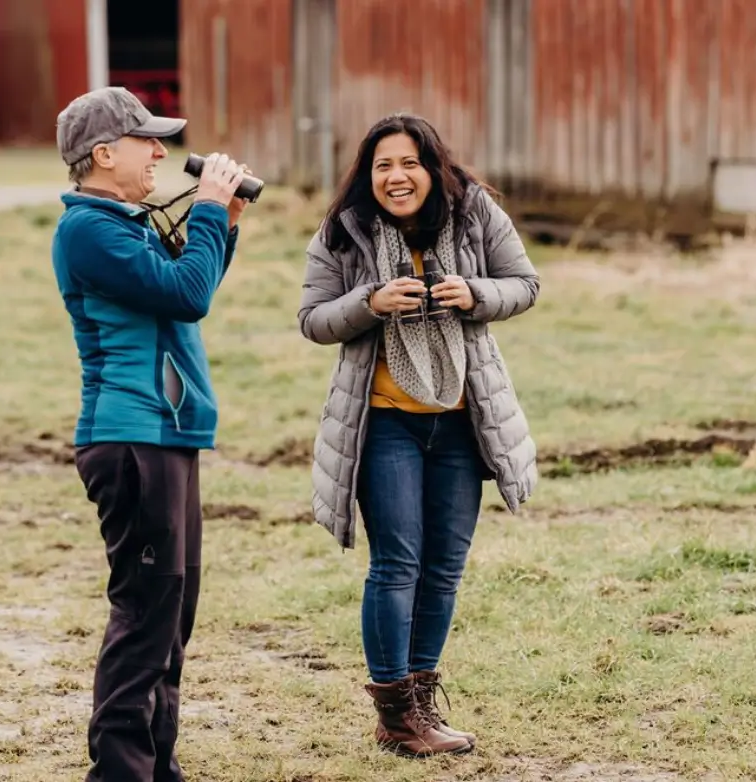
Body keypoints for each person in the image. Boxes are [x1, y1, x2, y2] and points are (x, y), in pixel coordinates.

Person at [297, 113, 540, 757]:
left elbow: (525, 284)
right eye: (383, 166)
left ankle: (422, 704)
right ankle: (397, 715)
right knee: (397, 563)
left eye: (409, 164)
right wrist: (368, 305)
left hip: (462, 421)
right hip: (384, 423)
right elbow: (312, 319)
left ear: (432, 168)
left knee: (444, 568)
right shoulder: (343, 231)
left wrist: (474, 293)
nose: (396, 177)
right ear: (367, 174)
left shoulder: (475, 214)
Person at [49, 86, 251, 782]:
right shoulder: (89, 230)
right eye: (147, 140)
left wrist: (220, 225)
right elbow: (186, 294)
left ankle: (157, 766)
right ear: (104, 154)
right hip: (131, 436)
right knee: (144, 614)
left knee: (171, 614)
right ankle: (120, 773)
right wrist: (205, 213)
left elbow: (186, 297)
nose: (162, 151)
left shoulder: (124, 223)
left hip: (166, 436)